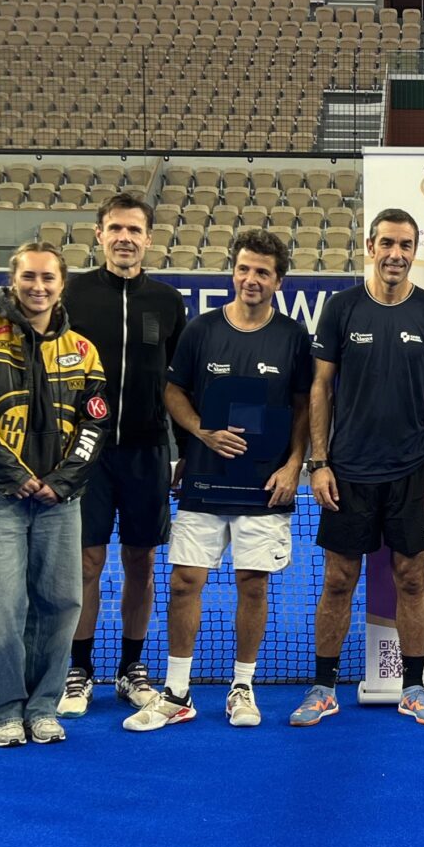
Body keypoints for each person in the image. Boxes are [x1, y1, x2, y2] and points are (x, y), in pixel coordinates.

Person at [128, 230, 312, 732]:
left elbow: (304, 409)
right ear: (233, 271)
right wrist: (198, 435)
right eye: (244, 269)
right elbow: (173, 391)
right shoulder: (201, 330)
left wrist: (294, 464)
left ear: (278, 281)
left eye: (262, 272)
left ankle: (242, 688)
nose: (251, 279)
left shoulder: (294, 337)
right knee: (185, 581)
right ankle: (177, 693)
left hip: (265, 484)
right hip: (205, 481)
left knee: (252, 585)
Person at [293, 208, 424, 727]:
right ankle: (323, 687)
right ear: (369, 246)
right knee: (339, 580)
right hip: (347, 472)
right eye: (386, 243)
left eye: (405, 245)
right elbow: (319, 387)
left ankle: (414, 688)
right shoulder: (342, 308)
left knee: (412, 578)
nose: (396, 254)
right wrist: (318, 463)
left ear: (415, 250)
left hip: (412, 471)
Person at [0, 242, 111, 749]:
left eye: (48, 279)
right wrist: (13, 474)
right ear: (12, 279)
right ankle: (4, 710)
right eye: (29, 277)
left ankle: (43, 706)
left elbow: (95, 421)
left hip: (61, 500)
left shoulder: (84, 351)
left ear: (62, 285)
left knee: (61, 603)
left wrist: (62, 481)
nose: (38, 287)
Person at [60, 194, 186, 716]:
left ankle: (131, 668)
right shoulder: (72, 293)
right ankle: (78, 668)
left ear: (149, 238)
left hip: (147, 452)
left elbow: (180, 384)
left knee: (142, 561)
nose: (124, 238)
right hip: (85, 454)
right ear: (98, 234)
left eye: (134, 229)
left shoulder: (168, 301)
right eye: (115, 228)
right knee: (86, 563)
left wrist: (183, 452)